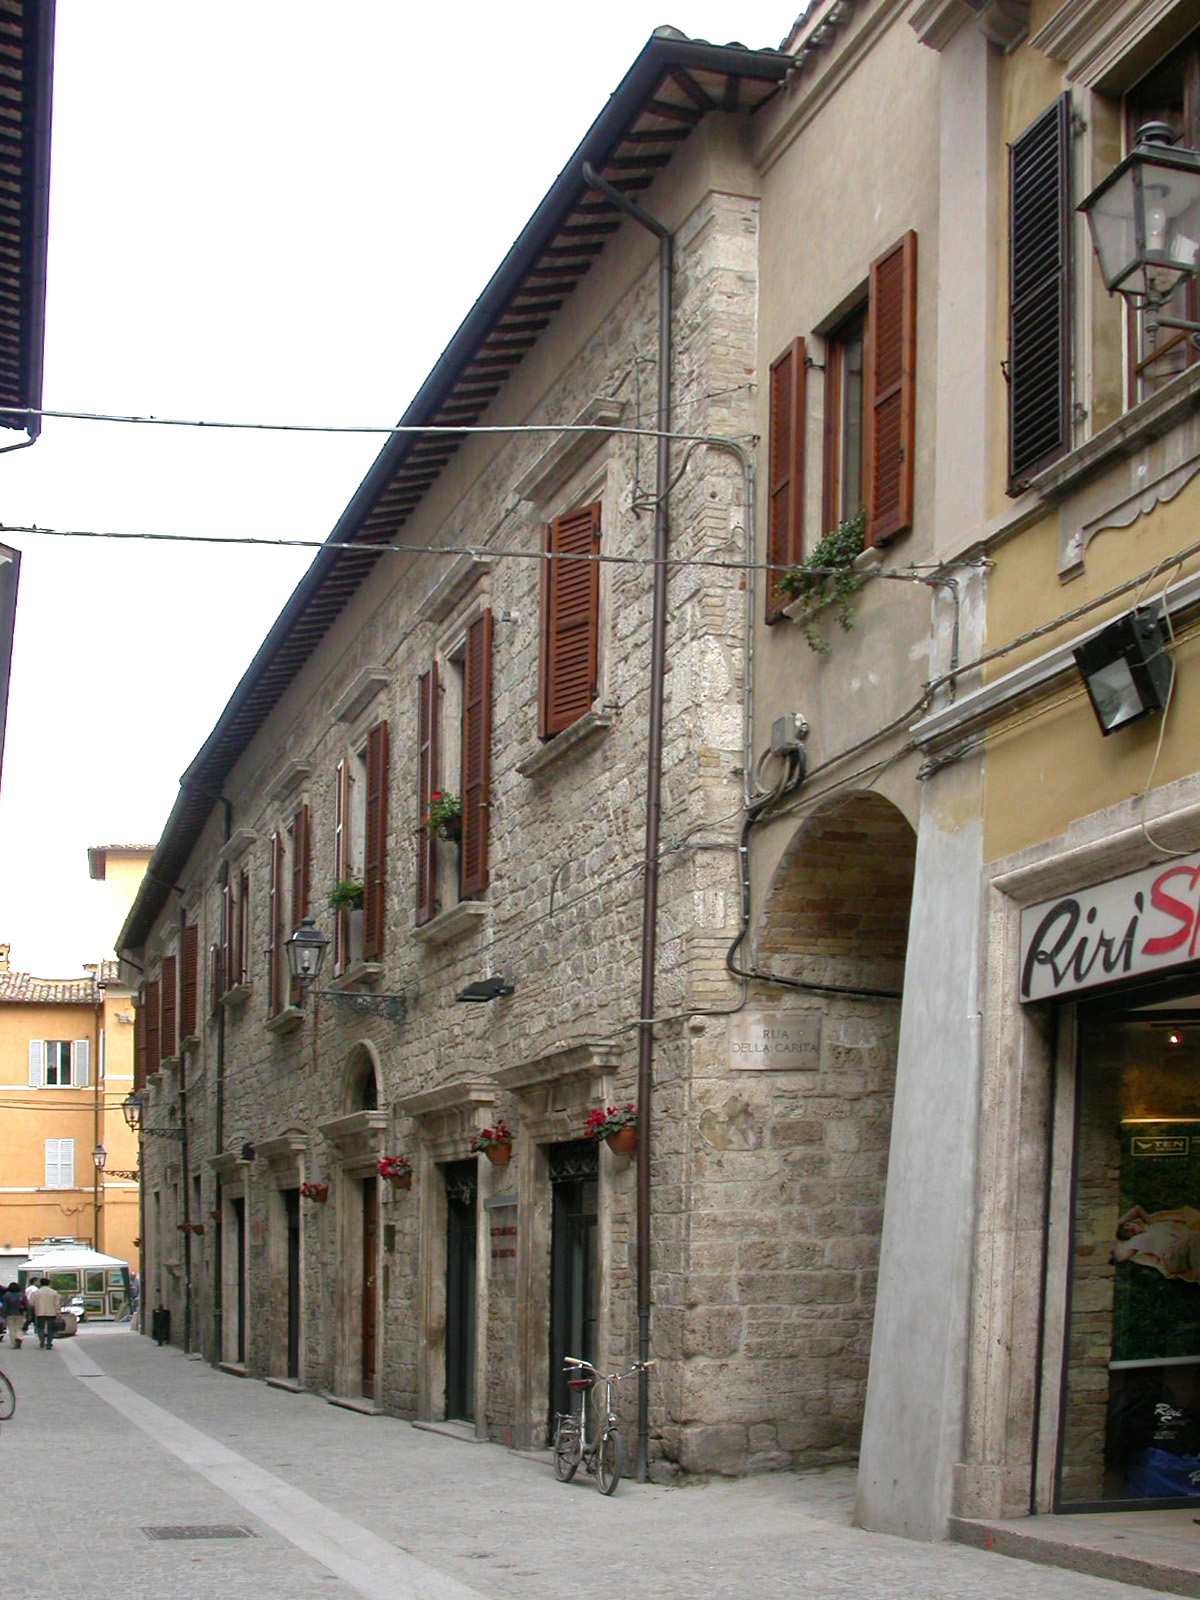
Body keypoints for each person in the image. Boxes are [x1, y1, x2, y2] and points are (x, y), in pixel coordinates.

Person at [1114, 1204, 1200, 1281]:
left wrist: (1119, 1223)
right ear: (1128, 1237)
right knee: (1195, 1236)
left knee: (1194, 1238)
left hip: (1183, 1247)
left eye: (1127, 1225)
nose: (1129, 1228)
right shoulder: (1137, 1240)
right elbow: (1121, 1257)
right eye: (1126, 1232)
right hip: (1171, 1257)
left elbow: (1137, 1209)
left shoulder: (1151, 1223)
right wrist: (1113, 1233)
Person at [28, 1276, 61, 1349]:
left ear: (40, 1284)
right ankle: (49, 1343)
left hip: (40, 1312)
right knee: (51, 1328)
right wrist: (58, 1312)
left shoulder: (36, 1293)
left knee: (40, 1327)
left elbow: (31, 1303)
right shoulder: (54, 1293)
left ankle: (42, 1339)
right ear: (49, 1283)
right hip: (51, 1313)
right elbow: (57, 1304)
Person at [1, 1281, 26, 1348]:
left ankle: (14, 1342)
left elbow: (4, 1306)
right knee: (19, 1327)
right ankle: (19, 1338)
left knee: (11, 1328)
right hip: (20, 1313)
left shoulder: (6, 1296)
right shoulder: (22, 1295)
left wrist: (3, 1315)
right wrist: (29, 1313)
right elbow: (27, 1305)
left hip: (9, 1314)